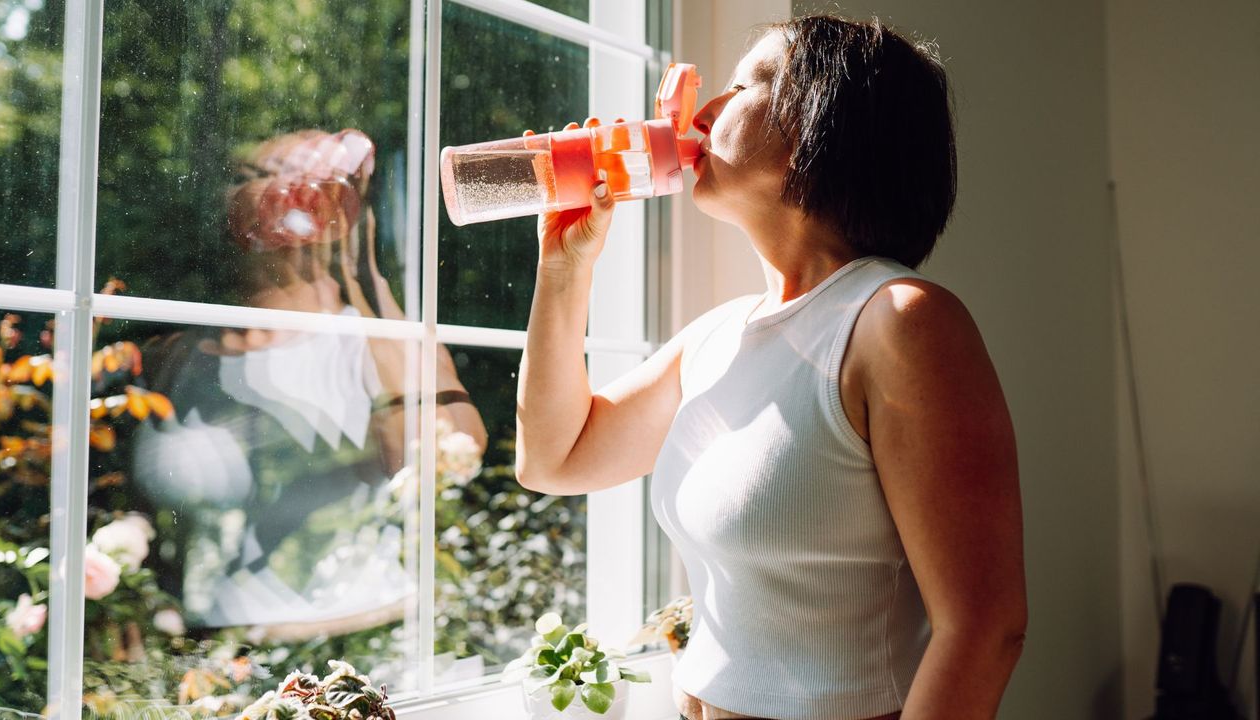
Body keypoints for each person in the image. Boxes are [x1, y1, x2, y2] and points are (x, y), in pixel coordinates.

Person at [516, 14, 1025, 720]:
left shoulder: (900, 323)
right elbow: (553, 459)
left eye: (743, 84)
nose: (705, 111)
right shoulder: (719, 337)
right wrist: (564, 267)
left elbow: (984, 630)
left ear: (825, 126)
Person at [133, 129, 486, 639]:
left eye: (311, 181)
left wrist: (364, 275)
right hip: (213, 650)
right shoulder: (183, 355)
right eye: (262, 177)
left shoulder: (370, 339)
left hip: (367, 636)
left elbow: (452, 457)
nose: (292, 195)